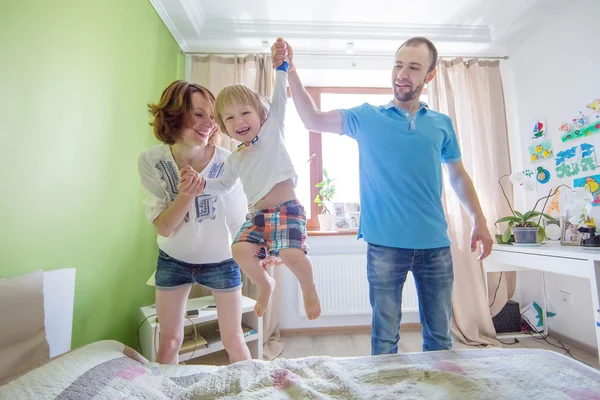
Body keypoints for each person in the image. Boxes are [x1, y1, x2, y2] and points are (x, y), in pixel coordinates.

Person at [271, 37, 494, 355]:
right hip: (385, 246)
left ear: (429, 76)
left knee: (441, 338)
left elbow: (457, 175)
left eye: (414, 67)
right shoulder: (367, 116)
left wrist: (480, 220)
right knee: (385, 339)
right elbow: (313, 120)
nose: (402, 73)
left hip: (435, 247)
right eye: (398, 64)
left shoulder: (441, 124)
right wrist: (291, 71)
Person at [138, 80, 277, 365]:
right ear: (174, 113)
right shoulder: (151, 161)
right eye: (198, 114)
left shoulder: (231, 162)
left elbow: (240, 220)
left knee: (233, 338)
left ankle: (253, 393)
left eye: (212, 117)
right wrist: (186, 195)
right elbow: (163, 227)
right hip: (173, 260)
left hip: (222, 260)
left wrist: (260, 252)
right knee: (169, 341)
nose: (208, 124)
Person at [191, 61, 322, 320]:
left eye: (244, 113)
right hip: (257, 218)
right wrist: (202, 183)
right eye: (229, 118)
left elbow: (279, 99)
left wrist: (282, 68)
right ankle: (265, 284)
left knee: (292, 255)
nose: (238, 121)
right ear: (224, 128)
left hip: (286, 210)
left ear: (260, 115)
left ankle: (308, 286)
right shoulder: (235, 158)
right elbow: (224, 186)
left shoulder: (272, 131)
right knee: (239, 250)